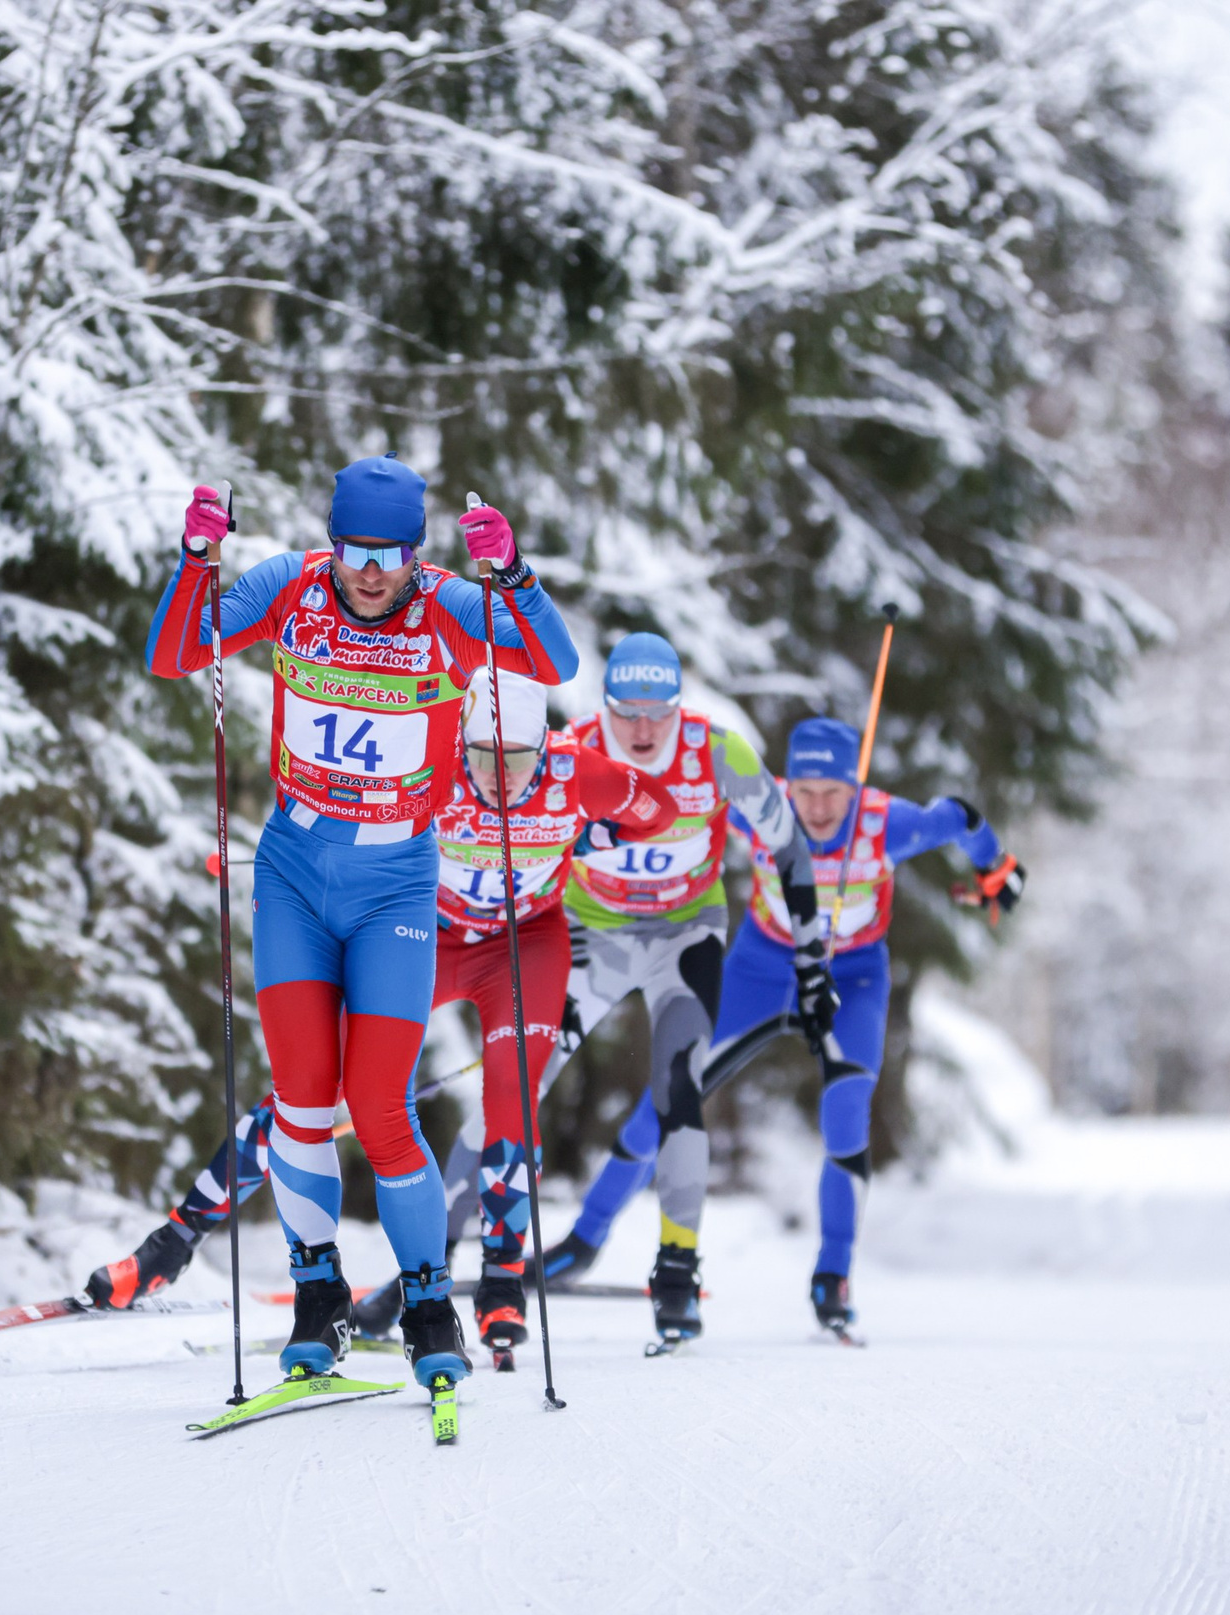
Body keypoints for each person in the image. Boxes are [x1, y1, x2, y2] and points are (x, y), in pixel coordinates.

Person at [89, 672, 675, 1368]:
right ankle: (172, 1244)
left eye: (515, 760)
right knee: (310, 1098)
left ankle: (501, 1284)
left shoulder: (579, 775)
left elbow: (660, 810)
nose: (496, 777)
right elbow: (336, 818)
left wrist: (591, 839)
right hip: (425, 939)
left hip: (523, 948)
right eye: (482, 757)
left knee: (512, 1103)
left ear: (545, 747)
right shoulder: (430, 768)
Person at [143, 458, 577, 1391]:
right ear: (331, 541)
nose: (370, 572)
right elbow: (176, 652)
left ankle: (428, 1303)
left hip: (396, 883)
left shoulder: (452, 607)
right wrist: (195, 559)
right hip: (297, 873)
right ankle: (318, 1297)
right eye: (355, 551)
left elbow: (555, 665)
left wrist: (515, 580)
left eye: (390, 554)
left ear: (417, 553)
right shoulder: (291, 587)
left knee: (379, 1108)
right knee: (300, 1103)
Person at [551, 717, 1020, 1338]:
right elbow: (676, 803)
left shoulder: (886, 824)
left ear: (854, 789)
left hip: (852, 977)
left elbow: (957, 815)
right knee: (671, 1095)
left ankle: (832, 1276)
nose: (819, 807)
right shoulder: (759, 805)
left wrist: (997, 869)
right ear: (786, 786)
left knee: (847, 1108)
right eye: (805, 791)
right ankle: (584, 1241)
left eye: (833, 792)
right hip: (762, 969)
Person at [536, 634, 830, 1348]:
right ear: (604, 706)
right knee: (520, 1077)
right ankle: (470, 1250)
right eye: (626, 712)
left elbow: (789, 846)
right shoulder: (570, 750)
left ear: (679, 706)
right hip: (591, 935)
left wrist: (814, 957)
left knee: (678, 1089)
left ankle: (676, 1269)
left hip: (683, 935)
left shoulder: (716, 753)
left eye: (657, 713)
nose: (641, 731)